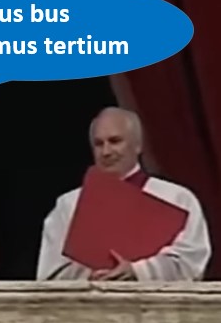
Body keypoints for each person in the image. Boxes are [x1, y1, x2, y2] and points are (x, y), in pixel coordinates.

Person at [36, 106, 211, 282]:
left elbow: (191, 262)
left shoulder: (177, 198)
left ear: (138, 145)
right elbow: (52, 271)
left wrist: (137, 271)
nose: (106, 152)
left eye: (115, 141)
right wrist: (94, 273)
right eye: (99, 144)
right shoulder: (69, 204)